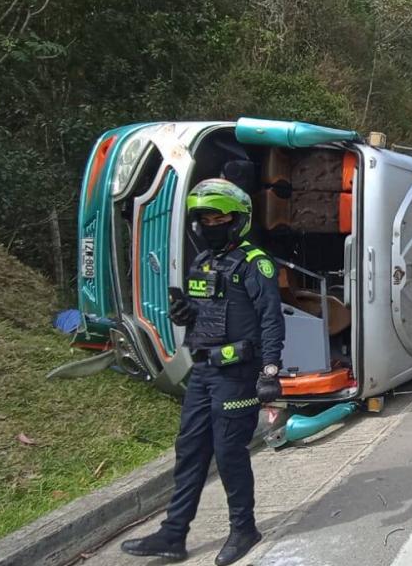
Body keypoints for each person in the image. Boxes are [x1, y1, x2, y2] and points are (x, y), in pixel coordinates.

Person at [122, 178, 285, 566]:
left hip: (237, 373)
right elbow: (211, 313)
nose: (209, 223)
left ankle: (243, 528)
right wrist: (188, 314)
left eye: (218, 216)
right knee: (191, 450)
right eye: (204, 217)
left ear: (236, 220)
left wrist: (269, 370)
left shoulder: (254, 264)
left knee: (229, 453)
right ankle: (173, 534)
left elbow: (271, 321)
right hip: (203, 372)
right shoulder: (202, 262)